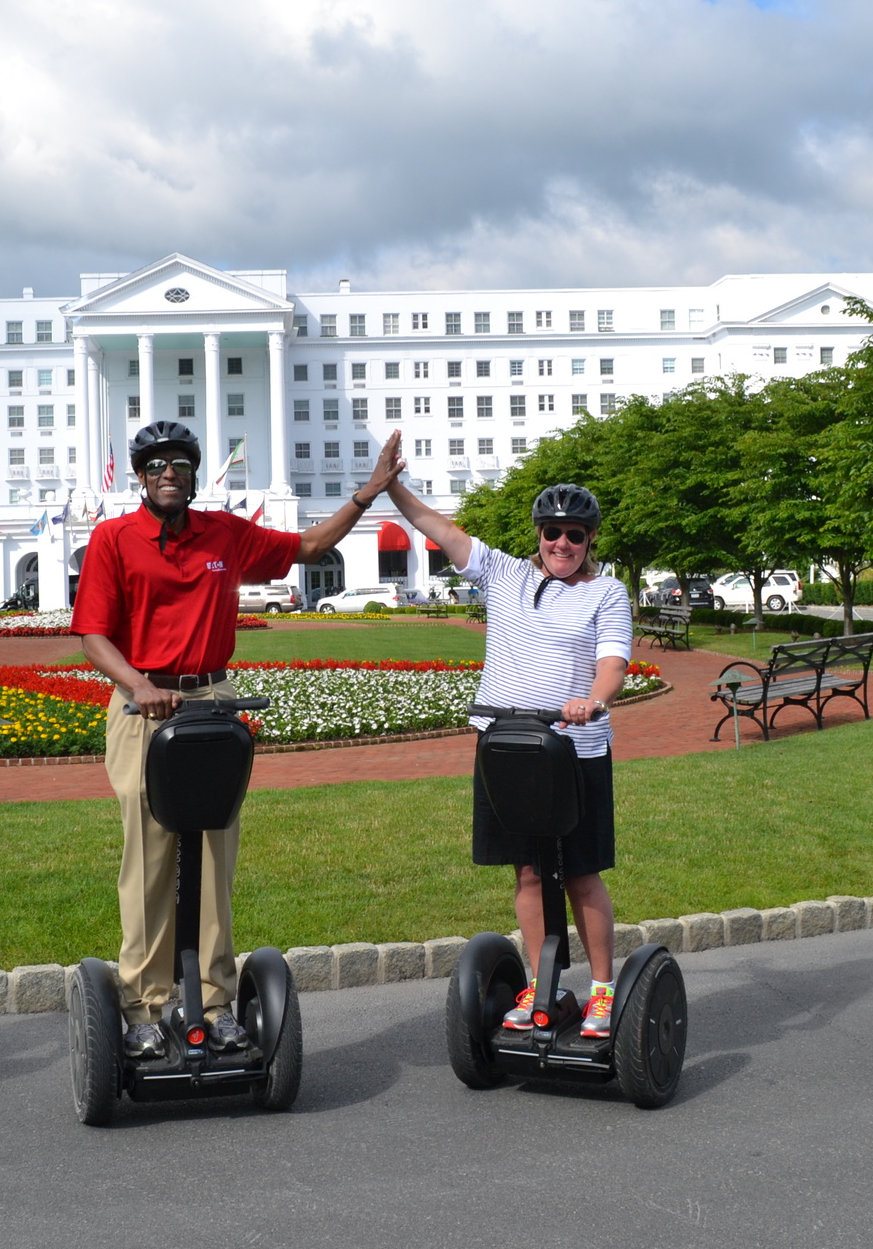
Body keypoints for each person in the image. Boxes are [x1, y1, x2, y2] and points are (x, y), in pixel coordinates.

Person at [72, 420, 406, 1057]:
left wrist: (367, 494)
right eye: (157, 465)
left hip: (213, 702)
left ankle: (216, 998)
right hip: (144, 707)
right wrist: (139, 685)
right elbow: (93, 633)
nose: (169, 473)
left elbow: (308, 547)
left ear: (194, 476)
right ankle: (145, 1004)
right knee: (148, 859)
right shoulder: (114, 538)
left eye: (180, 464)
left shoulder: (223, 532)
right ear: (140, 477)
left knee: (215, 858)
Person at [379, 449, 633, 1035]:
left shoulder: (606, 593)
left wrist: (594, 699)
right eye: (552, 532)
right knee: (525, 871)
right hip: (507, 747)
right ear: (538, 534)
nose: (562, 544)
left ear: (590, 539)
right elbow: (441, 530)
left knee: (579, 872)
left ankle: (600, 990)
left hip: (575, 750)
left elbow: (613, 661)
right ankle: (542, 987)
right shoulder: (505, 573)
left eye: (574, 534)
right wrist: (393, 491)